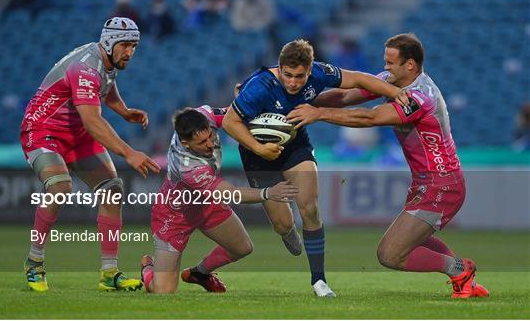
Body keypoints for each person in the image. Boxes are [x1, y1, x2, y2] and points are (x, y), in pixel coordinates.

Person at [286, 33, 490, 299]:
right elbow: (345, 97)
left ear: (410, 65)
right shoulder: (391, 82)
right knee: (413, 240)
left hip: (443, 183)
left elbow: (369, 118)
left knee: (390, 254)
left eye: (391, 63)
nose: (385, 68)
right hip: (425, 182)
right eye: (385, 62)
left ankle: (461, 270)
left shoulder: (420, 96)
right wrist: (304, 98)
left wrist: (318, 114)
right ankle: (463, 278)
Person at [222, 39, 407, 297]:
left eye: (300, 76)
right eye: (288, 75)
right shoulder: (260, 86)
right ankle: (287, 232)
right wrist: (258, 147)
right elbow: (230, 122)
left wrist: (393, 92)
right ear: (280, 67)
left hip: (295, 143)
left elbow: (358, 79)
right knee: (282, 223)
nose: (293, 82)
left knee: (309, 206)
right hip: (257, 152)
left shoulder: (320, 72)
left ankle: (319, 281)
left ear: (310, 71)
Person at [20, 17, 161, 292]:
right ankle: (34, 262)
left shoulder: (105, 61)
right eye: (125, 45)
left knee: (112, 190)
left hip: (75, 135)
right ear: (109, 42)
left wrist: (123, 110)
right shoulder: (85, 67)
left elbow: (106, 86)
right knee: (60, 186)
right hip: (42, 130)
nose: (130, 52)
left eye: (134, 46)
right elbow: (92, 122)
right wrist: (128, 152)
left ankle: (109, 273)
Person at [140, 106, 299, 294]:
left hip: (205, 203)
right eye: (202, 142)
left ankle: (199, 274)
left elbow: (238, 113)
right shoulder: (188, 167)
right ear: (185, 144)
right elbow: (231, 193)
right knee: (163, 291)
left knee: (242, 247)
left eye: (210, 136)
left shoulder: (205, 114)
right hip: (174, 215)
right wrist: (268, 193)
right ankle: (148, 268)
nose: (210, 144)